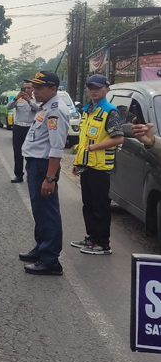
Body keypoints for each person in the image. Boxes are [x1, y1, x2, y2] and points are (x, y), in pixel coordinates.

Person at [17, 71, 69, 275]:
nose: (34, 91)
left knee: (48, 212)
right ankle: (42, 248)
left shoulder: (55, 111)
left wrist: (50, 177)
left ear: (53, 89)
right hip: (35, 164)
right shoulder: (45, 107)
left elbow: (56, 148)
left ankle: (50, 260)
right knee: (39, 210)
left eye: (39, 88)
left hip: (43, 166)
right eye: (34, 87)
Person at [70, 74, 124, 255]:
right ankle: (91, 238)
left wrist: (93, 148)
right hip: (87, 165)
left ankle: (103, 243)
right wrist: (78, 162)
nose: (93, 90)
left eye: (98, 87)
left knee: (100, 207)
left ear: (107, 89)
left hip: (100, 167)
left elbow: (118, 138)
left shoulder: (110, 111)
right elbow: (83, 139)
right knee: (89, 205)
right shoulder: (88, 110)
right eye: (90, 87)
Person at [7, 82, 40, 182]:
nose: (26, 90)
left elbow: (39, 109)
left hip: (31, 128)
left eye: (29, 88)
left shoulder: (37, 99)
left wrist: (29, 101)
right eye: (24, 88)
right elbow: (8, 107)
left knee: (31, 153)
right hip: (18, 127)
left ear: (33, 88)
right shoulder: (18, 99)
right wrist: (16, 98)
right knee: (18, 152)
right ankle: (18, 175)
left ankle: (31, 174)